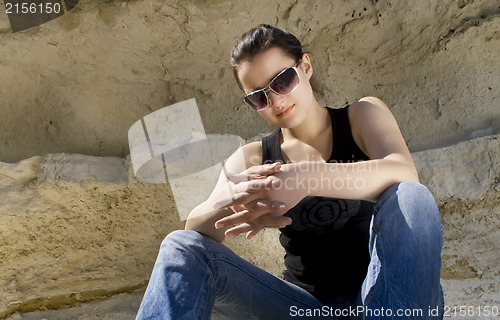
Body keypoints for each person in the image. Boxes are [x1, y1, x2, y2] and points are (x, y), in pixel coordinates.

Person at [136, 24, 444, 319]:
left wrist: (306, 177)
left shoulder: (362, 116)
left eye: (282, 80)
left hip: (389, 300)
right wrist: (233, 199)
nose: (276, 101)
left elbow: (405, 172)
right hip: (302, 309)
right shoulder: (254, 157)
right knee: (178, 244)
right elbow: (194, 233)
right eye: (259, 97)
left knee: (412, 196)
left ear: (306, 67)